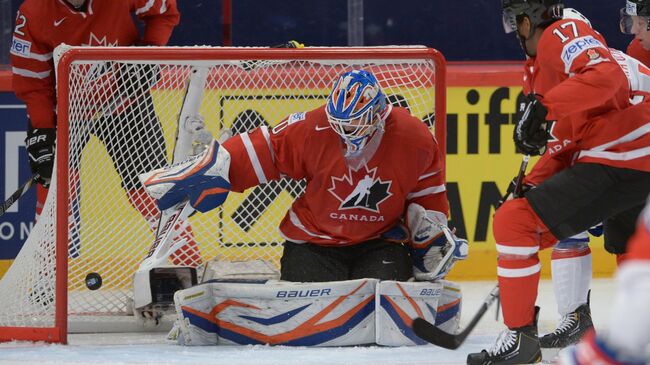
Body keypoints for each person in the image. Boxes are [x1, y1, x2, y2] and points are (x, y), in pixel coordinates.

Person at [140, 68, 468, 284]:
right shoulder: (315, 127)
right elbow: (266, 148)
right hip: (314, 244)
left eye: (351, 124)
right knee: (310, 290)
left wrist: (431, 235)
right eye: (338, 122)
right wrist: (218, 167)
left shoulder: (414, 137)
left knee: (384, 289)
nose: (343, 132)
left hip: (379, 243)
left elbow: (428, 194)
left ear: (376, 115)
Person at [467, 1, 650, 364]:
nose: (515, 32)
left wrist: (544, 107)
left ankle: (521, 338)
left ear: (531, 19)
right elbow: (569, 144)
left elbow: (605, 79)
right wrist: (532, 181)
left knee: (514, 222)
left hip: (629, 149)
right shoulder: (546, 69)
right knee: (631, 247)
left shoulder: (559, 33)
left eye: (515, 22)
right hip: (632, 152)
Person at [10, 0, 201, 264]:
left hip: (126, 103)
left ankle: (189, 266)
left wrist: (149, 50)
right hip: (65, 111)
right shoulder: (33, 12)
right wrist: (43, 132)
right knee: (55, 198)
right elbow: (33, 82)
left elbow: (164, 12)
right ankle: (46, 280)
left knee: (153, 190)